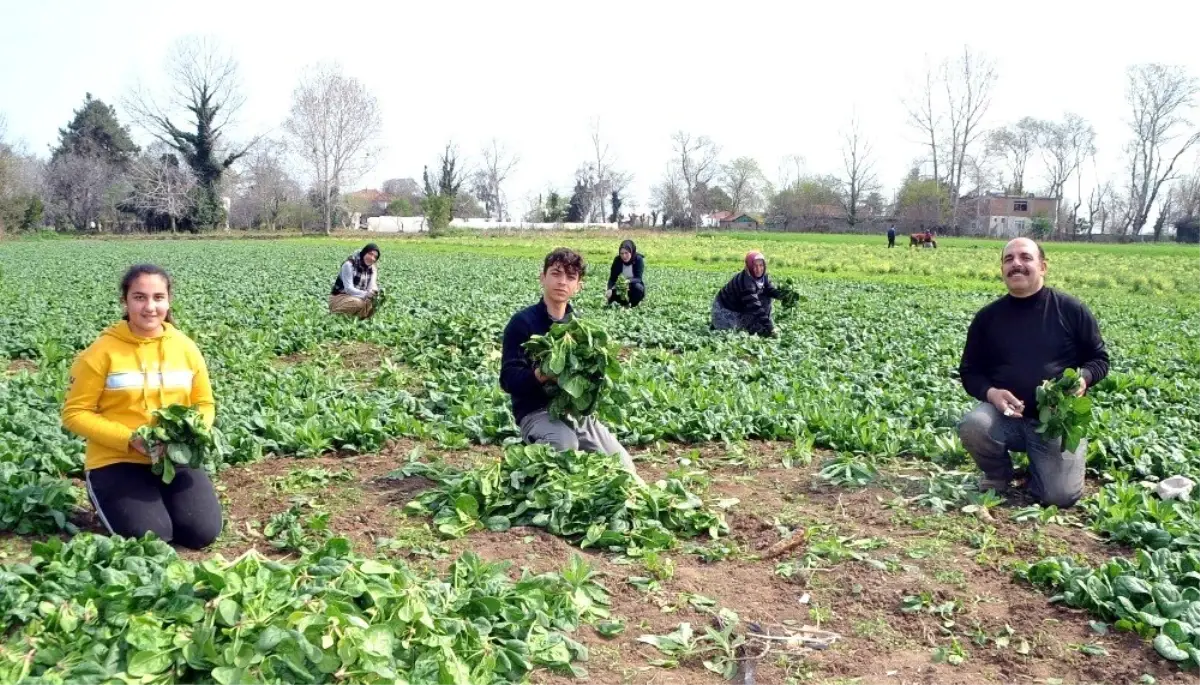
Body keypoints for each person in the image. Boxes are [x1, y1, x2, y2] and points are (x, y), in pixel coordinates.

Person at [62, 264, 222, 549]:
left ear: (168, 300)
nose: (150, 307)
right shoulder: (100, 352)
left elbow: (204, 403)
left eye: (158, 297)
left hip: (173, 458)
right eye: (139, 297)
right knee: (151, 539)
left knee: (202, 533)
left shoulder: (185, 347)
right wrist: (129, 439)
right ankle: (107, 496)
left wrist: (192, 432)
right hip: (117, 460)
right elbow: (75, 414)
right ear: (125, 301)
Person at [957, 238, 1109, 508]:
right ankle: (998, 474)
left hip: (1055, 421)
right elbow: (970, 371)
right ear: (1002, 269)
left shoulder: (1070, 310)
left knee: (1059, 497)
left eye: (1025, 257)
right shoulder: (987, 318)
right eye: (1008, 259)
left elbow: (1099, 359)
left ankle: (1040, 472)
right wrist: (991, 393)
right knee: (974, 424)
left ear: (1043, 266)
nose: (1016, 264)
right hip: (1005, 419)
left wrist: (1083, 379)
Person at [500, 248, 639, 476]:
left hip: (575, 413)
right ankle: (536, 469)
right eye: (556, 273)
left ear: (578, 286)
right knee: (565, 445)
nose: (562, 282)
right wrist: (544, 374)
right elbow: (508, 380)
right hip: (535, 412)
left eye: (571, 277)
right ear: (542, 277)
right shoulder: (522, 323)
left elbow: (590, 380)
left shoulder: (580, 328)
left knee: (623, 466)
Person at [711, 251, 783, 337]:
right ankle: (752, 327)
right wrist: (771, 328)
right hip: (724, 311)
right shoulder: (745, 282)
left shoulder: (764, 277)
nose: (759, 269)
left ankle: (757, 326)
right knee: (732, 333)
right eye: (755, 266)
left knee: (767, 296)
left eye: (761, 265)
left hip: (740, 306)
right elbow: (755, 307)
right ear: (749, 266)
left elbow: (770, 289)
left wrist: (783, 295)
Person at [329, 243, 381, 319]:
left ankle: (357, 318)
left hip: (359, 297)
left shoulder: (372, 268)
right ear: (364, 252)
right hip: (339, 297)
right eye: (370, 254)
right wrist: (366, 294)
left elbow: (372, 284)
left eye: (375, 257)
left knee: (373, 304)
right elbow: (348, 289)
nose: (372, 258)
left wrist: (374, 292)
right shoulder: (349, 264)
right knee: (358, 303)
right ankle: (334, 315)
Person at [605, 239, 646, 307]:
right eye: (622, 253)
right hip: (621, 287)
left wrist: (628, 281)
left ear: (631, 252)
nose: (624, 256)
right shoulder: (617, 260)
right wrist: (609, 289)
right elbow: (612, 278)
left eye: (626, 253)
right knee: (612, 298)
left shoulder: (638, 259)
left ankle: (634, 304)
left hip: (633, 287)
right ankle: (623, 303)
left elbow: (638, 278)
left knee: (638, 288)